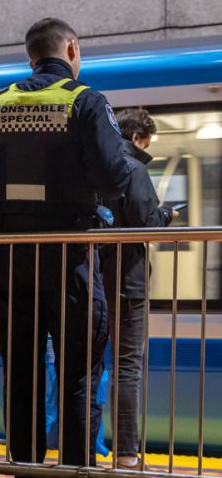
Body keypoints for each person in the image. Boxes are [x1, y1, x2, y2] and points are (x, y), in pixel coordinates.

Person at [0, 17, 133, 467]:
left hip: (10, 262)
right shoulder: (85, 101)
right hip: (71, 259)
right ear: (71, 49)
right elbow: (116, 178)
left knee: (22, 373)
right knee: (78, 374)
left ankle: (26, 467)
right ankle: (73, 470)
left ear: (31, 57)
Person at [101, 108, 176, 470]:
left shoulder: (94, 166)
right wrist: (166, 216)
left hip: (90, 279)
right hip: (126, 282)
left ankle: (80, 451)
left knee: (85, 365)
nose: (145, 149)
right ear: (135, 138)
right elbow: (146, 221)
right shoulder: (133, 169)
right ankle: (128, 456)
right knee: (127, 366)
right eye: (146, 144)